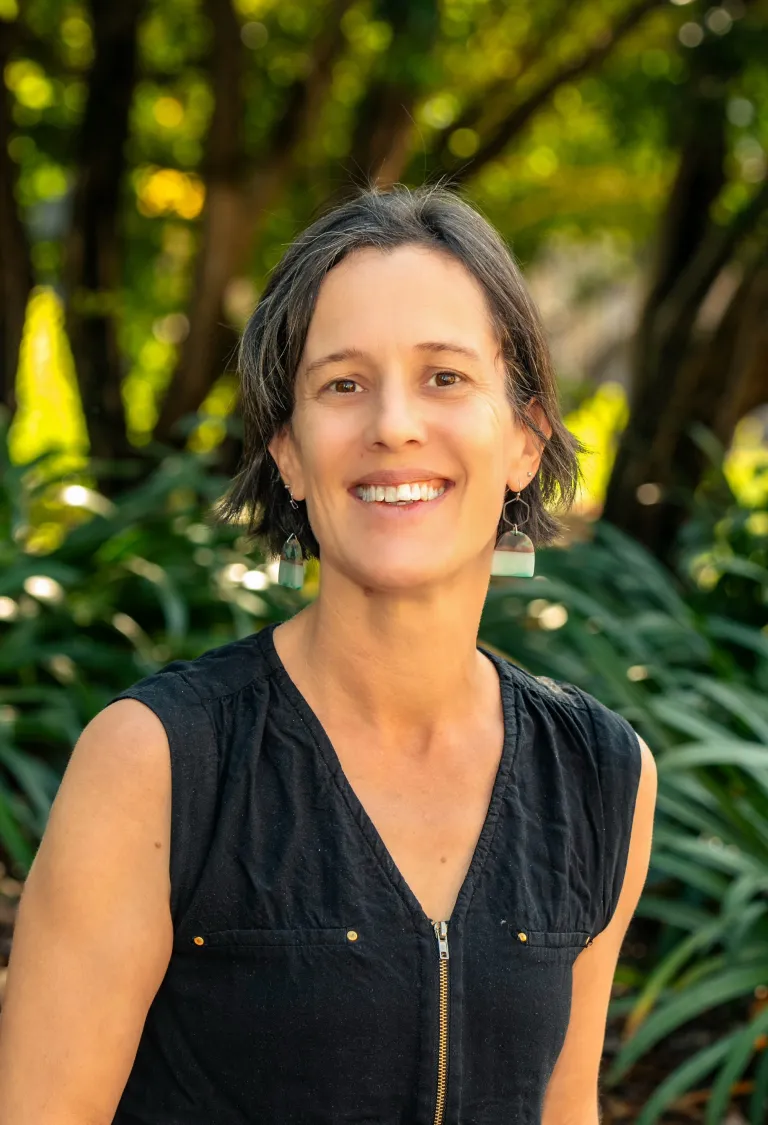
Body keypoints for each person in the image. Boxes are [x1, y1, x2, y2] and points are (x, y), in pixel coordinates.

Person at [0, 182, 657, 1125]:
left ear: (525, 437)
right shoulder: (157, 762)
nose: (393, 424)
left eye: (445, 376)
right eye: (342, 383)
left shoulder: (600, 774)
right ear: (290, 454)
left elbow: (563, 1108)